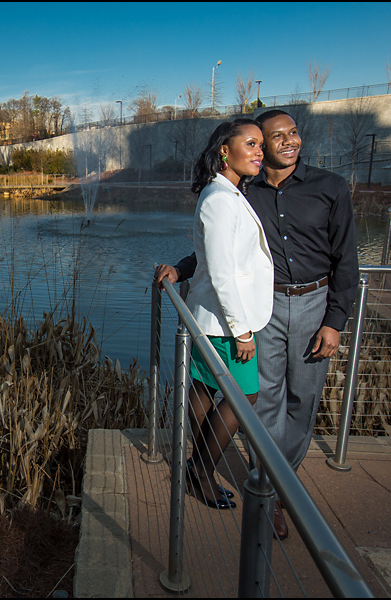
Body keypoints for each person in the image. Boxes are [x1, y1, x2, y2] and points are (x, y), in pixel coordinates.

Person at [154, 109, 359, 538]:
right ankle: (268, 491)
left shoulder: (330, 187)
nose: (286, 142)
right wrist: (182, 268)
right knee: (257, 399)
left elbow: (346, 260)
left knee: (303, 400)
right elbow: (218, 255)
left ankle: (258, 479)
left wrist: (335, 319)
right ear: (237, 148)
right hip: (260, 309)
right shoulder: (244, 189)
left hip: (313, 304)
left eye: (292, 133)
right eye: (269, 138)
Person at [173, 118, 274, 510]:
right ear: (224, 151)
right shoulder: (219, 198)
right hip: (224, 322)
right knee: (245, 395)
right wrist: (242, 331)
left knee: (202, 387)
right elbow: (221, 272)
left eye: (260, 145)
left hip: (212, 317)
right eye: (250, 143)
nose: (259, 151)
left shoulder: (226, 192)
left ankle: (195, 467)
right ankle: (200, 472)